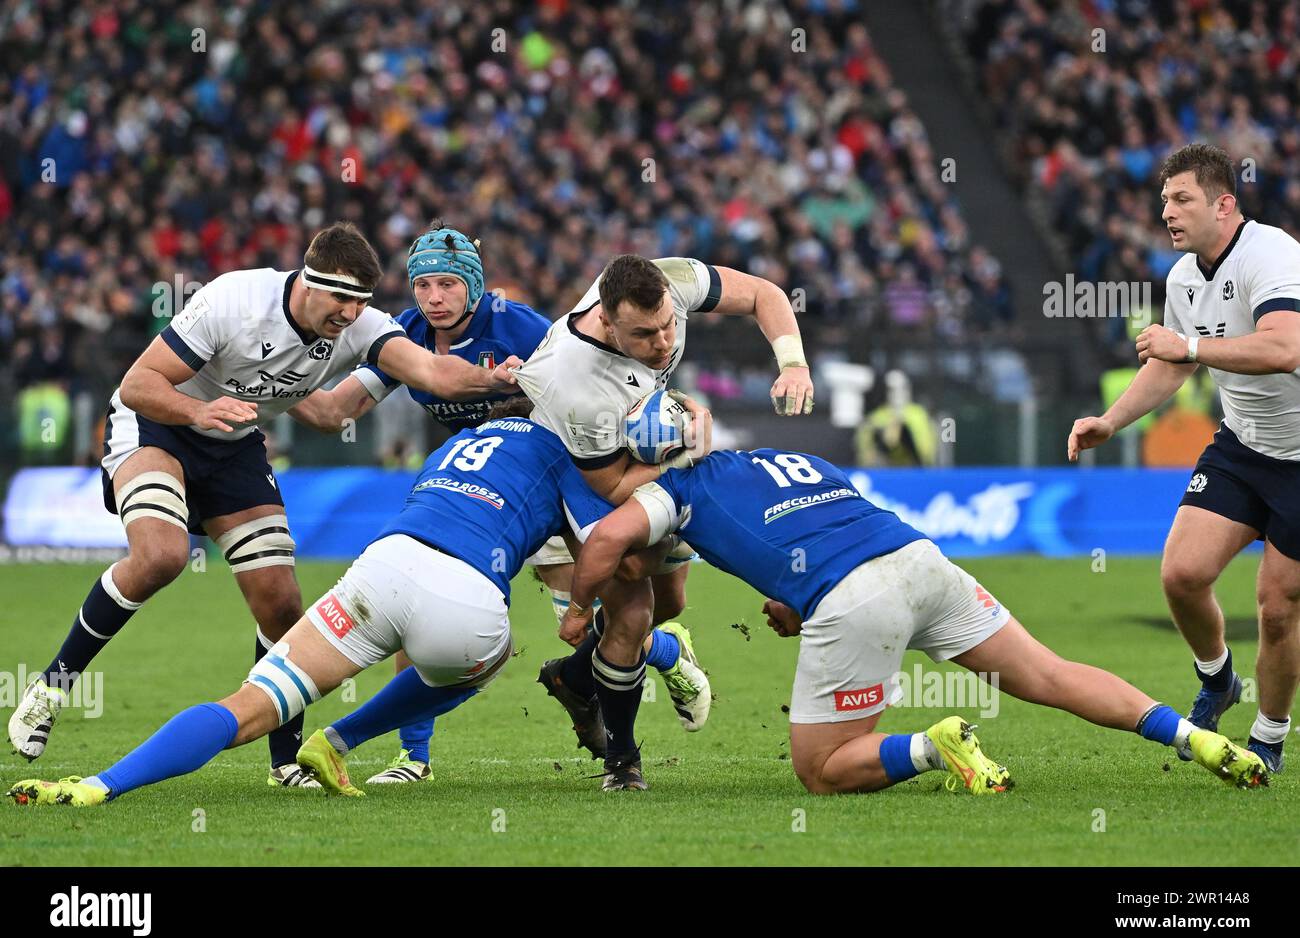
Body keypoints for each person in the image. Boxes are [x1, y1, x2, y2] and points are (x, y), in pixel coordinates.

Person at [6, 222, 520, 788]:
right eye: (341, 299)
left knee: (280, 602)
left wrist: (494, 380)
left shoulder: (364, 326)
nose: (351, 314)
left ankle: (283, 764)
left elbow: (409, 380)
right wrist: (199, 412)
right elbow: (137, 384)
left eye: (361, 302)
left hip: (235, 444)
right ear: (307, 281)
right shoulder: (235, 300)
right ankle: (51, 685)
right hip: (159, 423)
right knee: (161, 557)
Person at [6, 400, 652, 808]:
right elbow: (606, 553)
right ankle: (341, 738)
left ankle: (97, 785)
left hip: (378, 570)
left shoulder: (455, 445)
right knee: (487, 658)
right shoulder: (573, 458)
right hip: (467, 601)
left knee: (250, 708)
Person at [560, 444, 1270, 793]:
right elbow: (817, 529)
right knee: (1050, 673)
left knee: (821, 770)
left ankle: (935, 748)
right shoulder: (789, 457)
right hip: (920, 559)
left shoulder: (670, 488)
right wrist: (794, 600)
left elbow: (606, 541)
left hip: (857, 595)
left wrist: (579, 612)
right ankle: (1192, 737)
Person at [515, 253, 815, 789]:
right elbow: (609, 486)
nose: (663, 342)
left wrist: (792, 363)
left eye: (668, 325)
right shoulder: (577, 382)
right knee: (632, 596)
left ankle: (575, 677)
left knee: (671, 602)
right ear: (607, 321)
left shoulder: (666, 280)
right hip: (567, 460)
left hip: (636, 445)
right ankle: (623, 763)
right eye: (644, 334)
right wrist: (685, 451)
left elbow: (765, 294)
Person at [291, 221, 555, 785]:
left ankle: (653, 669)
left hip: (547, 487)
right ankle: (414, 758)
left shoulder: (520, 327)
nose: (433, 299)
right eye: (422, 286)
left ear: (474, 286)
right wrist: (264, 382)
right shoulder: (403, 335)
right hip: (470, 490)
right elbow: (338, 409)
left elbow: (587, 386)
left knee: (581, 622)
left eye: (447, 286)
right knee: (415, 609)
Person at [1068, 143, 1300, 774]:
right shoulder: (1183, 277)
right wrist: (1109, 421)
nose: (1166, 211)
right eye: (1164, 200)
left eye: (1181, 199)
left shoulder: (1273, 255)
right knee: (1181, 575)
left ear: (1224, 204)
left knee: (1277, 609)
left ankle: (1270, 736)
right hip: (1243, 444)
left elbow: (1285, 349)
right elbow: (1172, 364)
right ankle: (1218, 678)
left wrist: (1189, 344)